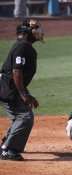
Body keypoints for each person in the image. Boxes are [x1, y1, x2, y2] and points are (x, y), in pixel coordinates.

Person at [0, 19, 44, 161]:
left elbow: (19, 75)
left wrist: (28, 94)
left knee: (21, 116)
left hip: (8, 85)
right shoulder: (22, 45)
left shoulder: (24, 46)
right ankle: (8, 149)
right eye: (34, 29)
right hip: (7, 86)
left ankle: (6, 144)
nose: (37, 31)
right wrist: (23, 94)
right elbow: (16, 72)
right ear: (25, 33)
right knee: (25, 117)